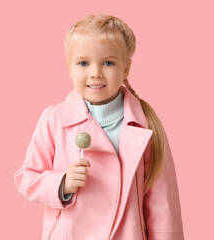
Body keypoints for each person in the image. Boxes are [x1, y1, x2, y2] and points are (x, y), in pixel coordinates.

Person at [13, 14, 184, 240]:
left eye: (108, 62)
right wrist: (62, 183)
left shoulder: (145, 124)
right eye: (83, 63)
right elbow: (27, 178)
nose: (95, 72)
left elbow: (163, 203)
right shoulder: (54, 120)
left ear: (125, 68)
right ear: (70, 68)